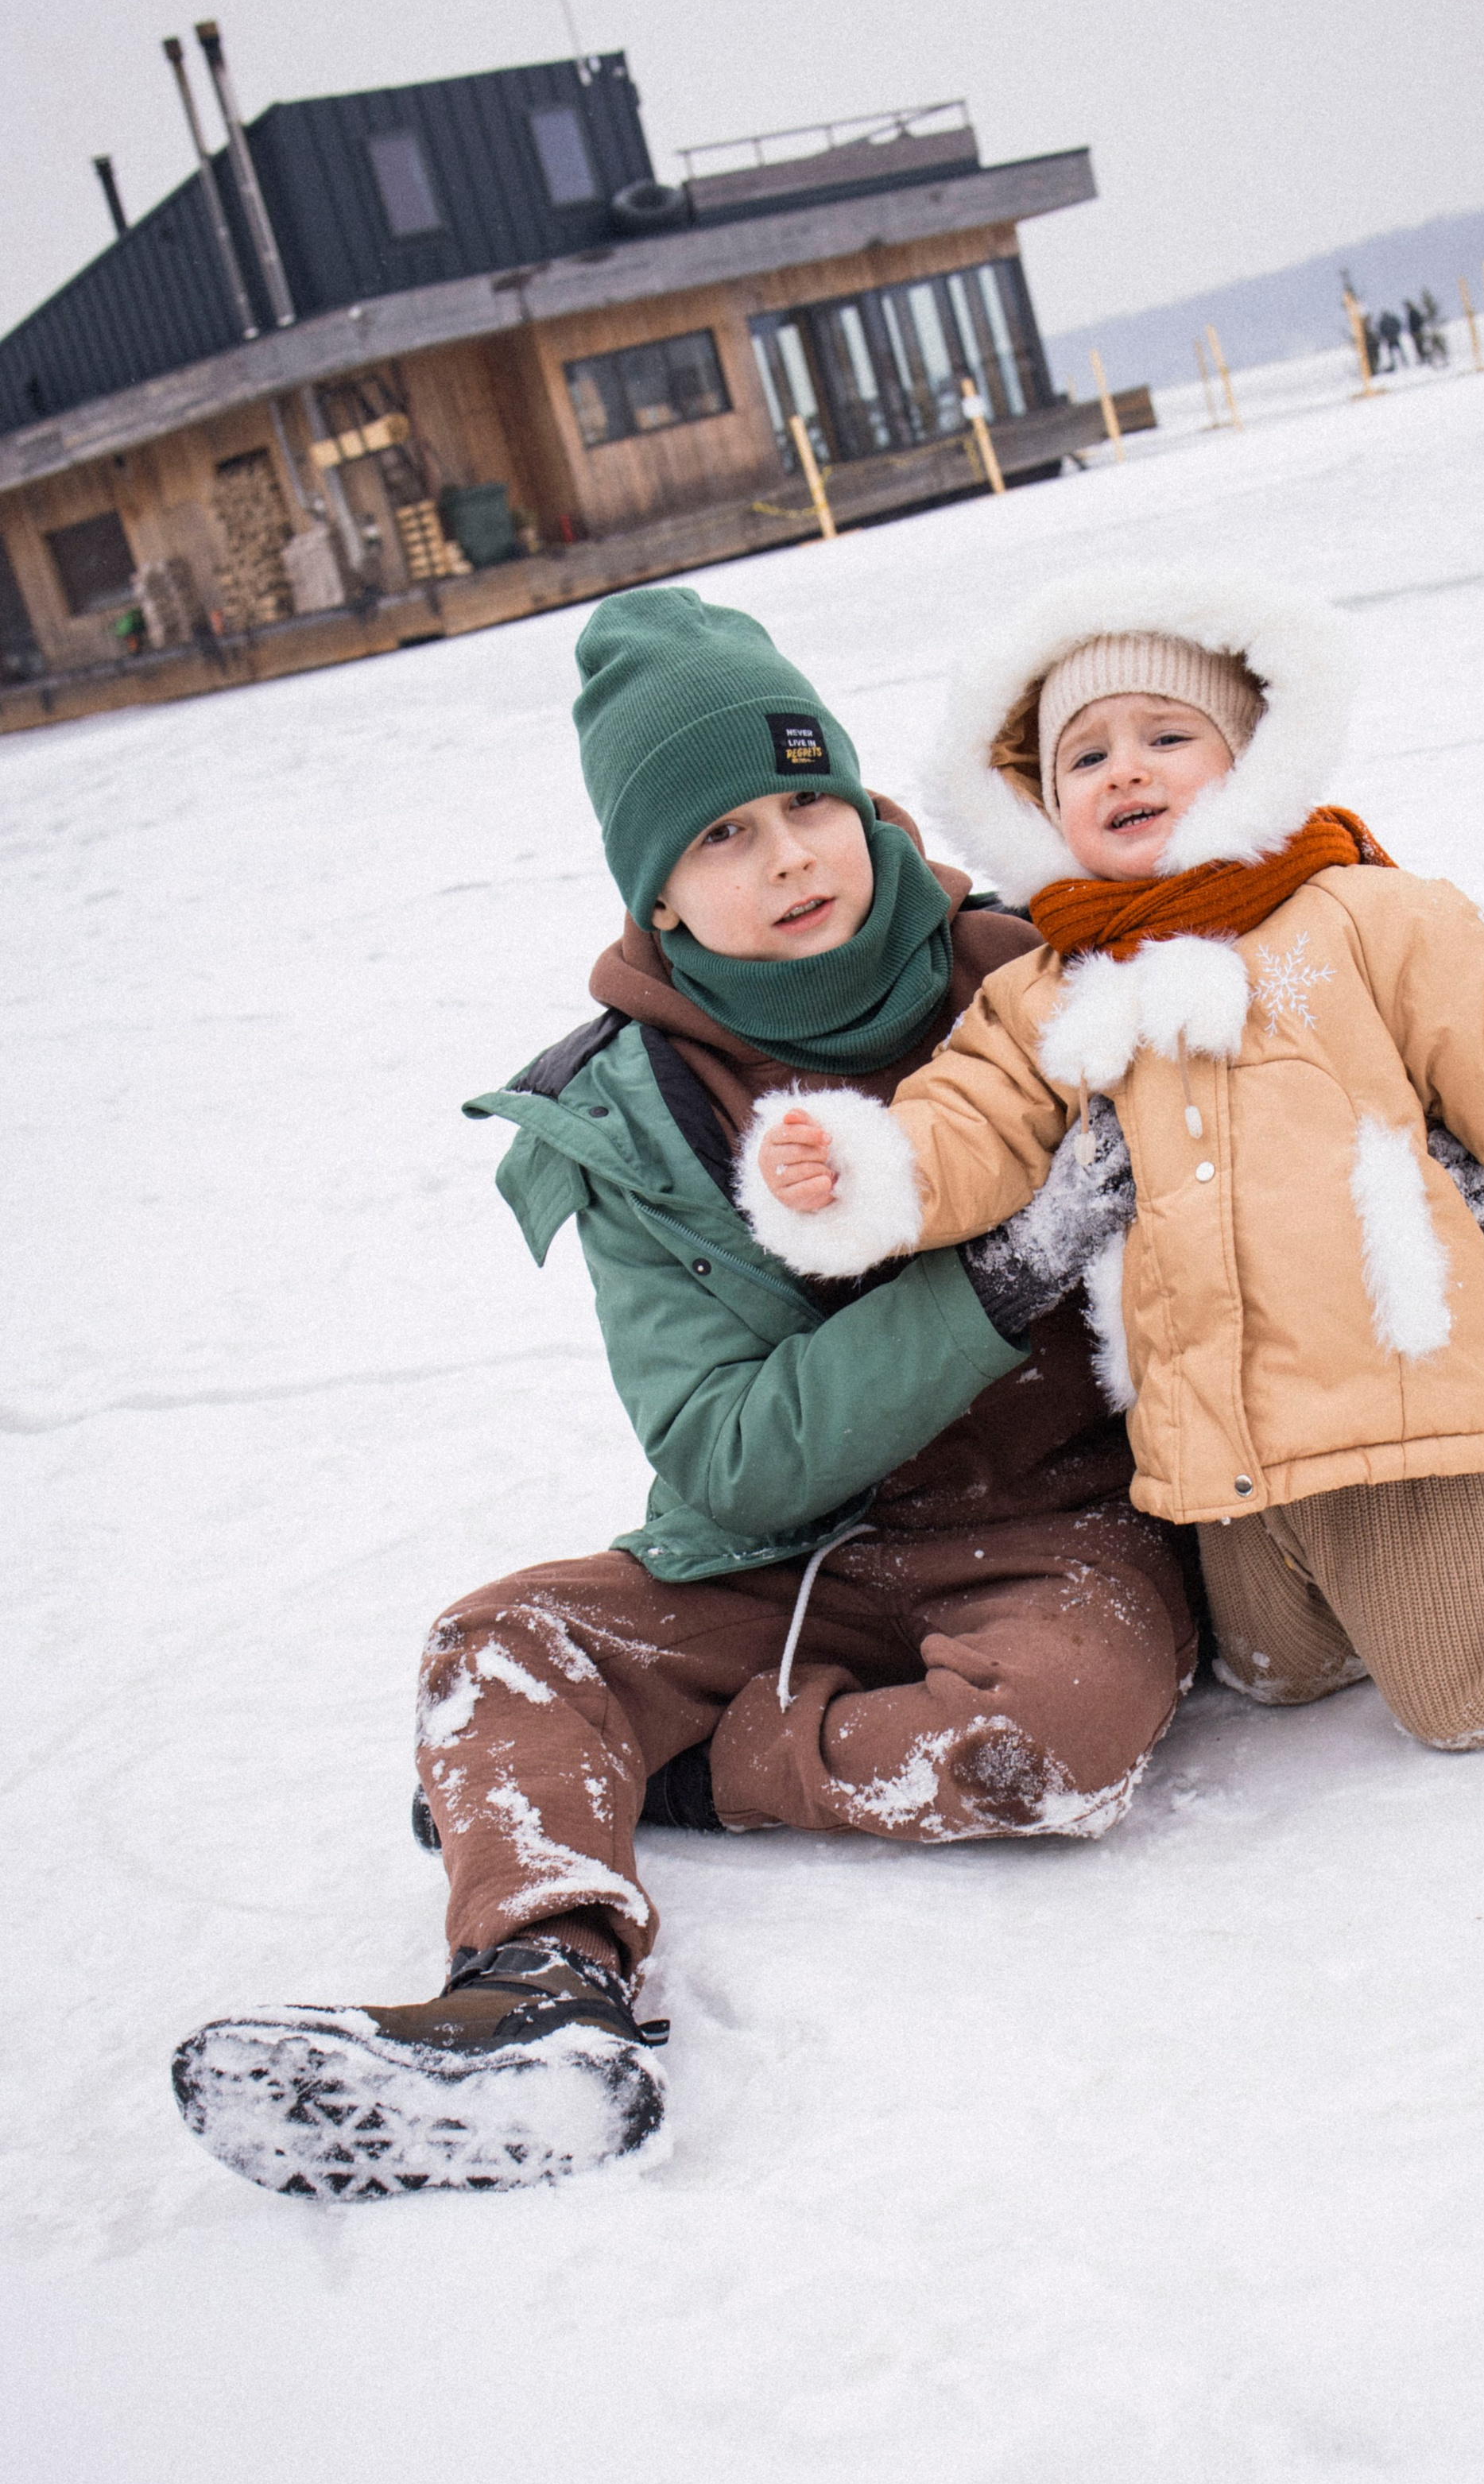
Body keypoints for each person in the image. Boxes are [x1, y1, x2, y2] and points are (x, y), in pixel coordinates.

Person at [170, 590, 1189, 2202]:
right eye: (721, 834)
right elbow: (721, 1461)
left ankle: (680, 1772)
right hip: (805, 1548)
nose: (788, 857)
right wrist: (994, 1278)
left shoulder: (1042, 968)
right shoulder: (628, 1117)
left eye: (807, 802)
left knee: (1050, 1740)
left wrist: (1436, 1171)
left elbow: (1297, 1111)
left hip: (1062, 1530)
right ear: (656, 894)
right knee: (496, 1645)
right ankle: (540, 1996)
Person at [751, 568, 1484, 1758]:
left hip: (1394, 1381)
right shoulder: (1052, 990)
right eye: (1085, 759)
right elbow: (974, 1122)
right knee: (1277, 1670)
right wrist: (864, 1172)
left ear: (1251, 757)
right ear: (1043, 808)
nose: (1127, 770)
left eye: (1167, 734)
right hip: (1221, 1437)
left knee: (1475, 1688)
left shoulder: (1361, 917)